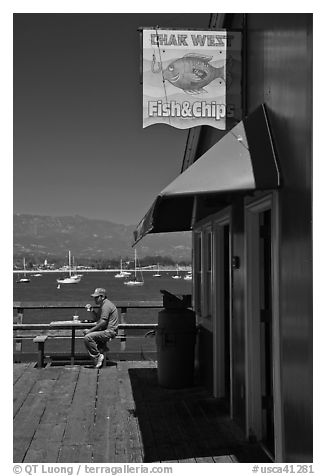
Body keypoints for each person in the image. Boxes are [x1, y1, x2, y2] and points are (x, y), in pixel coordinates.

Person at [83, 287, 119, 368]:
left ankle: (97, 356)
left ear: (102, 297)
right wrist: (92, 310)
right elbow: (98, 319)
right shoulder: (103, 305)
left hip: (109, 332)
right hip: (106, 330)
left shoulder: (106, 306)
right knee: (91, 336)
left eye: (96, 297)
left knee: (88, 337)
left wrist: (90, 331)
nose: (94, 299)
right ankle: (101, 351)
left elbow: (103, 322)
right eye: (94, 298)